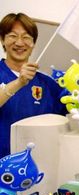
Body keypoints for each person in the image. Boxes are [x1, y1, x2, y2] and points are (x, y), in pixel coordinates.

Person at [0, 13, 66, 158]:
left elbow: (71, 108)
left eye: (26, 37)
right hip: (3, 165)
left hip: (38, 164)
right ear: (2, 40)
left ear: (33, 43)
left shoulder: (47, 83)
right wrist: (19, 83)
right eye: (12, 36)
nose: (19, 43)